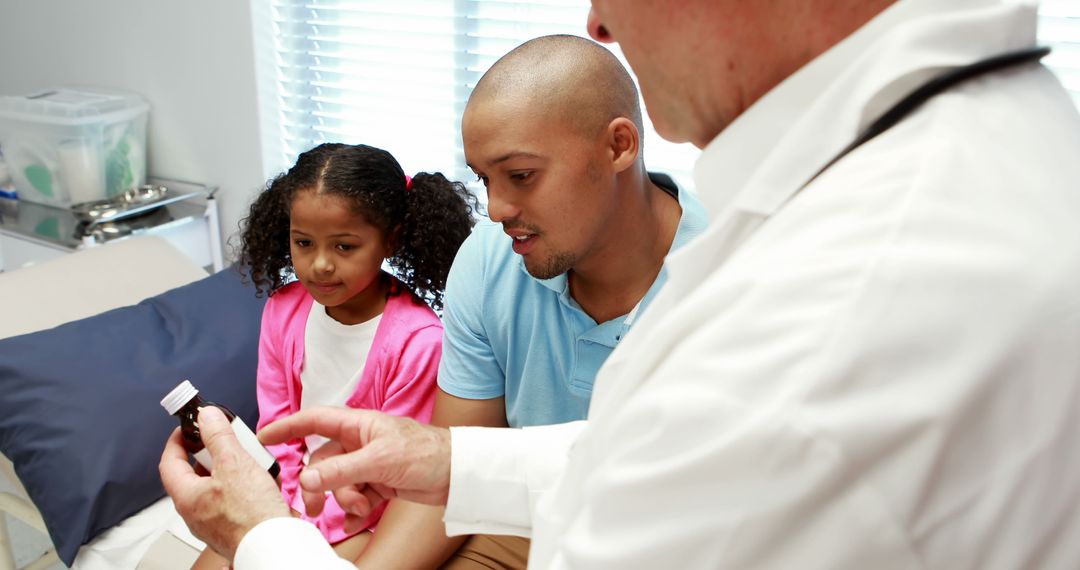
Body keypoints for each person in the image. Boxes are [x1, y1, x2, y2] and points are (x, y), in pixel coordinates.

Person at [162, 0, 1080, 568]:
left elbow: (723, 454)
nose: (601, 19)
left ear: (619, 148)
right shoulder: (980, 146)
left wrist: (260, 536)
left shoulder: (842, 304)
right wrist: (446, 460)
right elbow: (688, 455)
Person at [348, 34, 707, 569]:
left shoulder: (730, 274)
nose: (495, 208)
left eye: (520, 176)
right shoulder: (491, 260)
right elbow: (455, 466)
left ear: (618, 146)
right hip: (529, 522)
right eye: (484, 179)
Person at [190, 142, 477, 568]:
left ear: (390, 241)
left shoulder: (419, 343)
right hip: (292, 495)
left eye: (344, 247)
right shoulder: (282, 311)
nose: (320, 264)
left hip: (366, 514)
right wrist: (279, 508)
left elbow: (390, 470)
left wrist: (305, 528)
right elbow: (277, 428)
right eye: (304, 242)